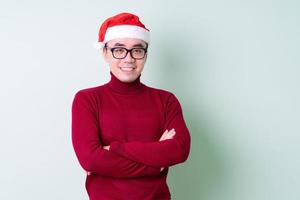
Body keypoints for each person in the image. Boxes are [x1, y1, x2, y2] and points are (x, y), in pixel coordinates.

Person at [71, 12, 191, 200]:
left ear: (145, 54)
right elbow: (91, 159)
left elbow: (179, 150)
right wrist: (156, 161)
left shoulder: (166, 100)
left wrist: (116, 149)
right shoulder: (87, 99)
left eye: (137, 50)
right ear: (104, 53)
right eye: (119, 50)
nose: (128, 59)